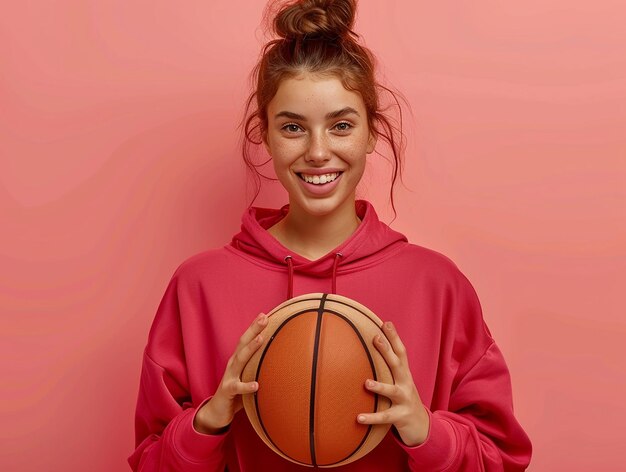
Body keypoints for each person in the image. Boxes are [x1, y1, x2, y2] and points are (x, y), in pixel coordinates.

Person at [128, 0, 532, 470]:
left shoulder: (437, 285)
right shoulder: (198, 286)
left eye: (341, 125)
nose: (318, 152)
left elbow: (501, 459)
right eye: (293, 127)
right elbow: (149, 460)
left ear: (371, 133)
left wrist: (426, 432)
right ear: (264, 133)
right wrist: (208, 423)